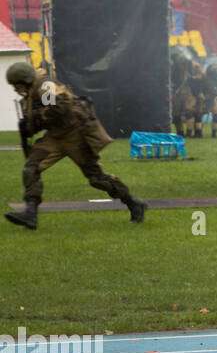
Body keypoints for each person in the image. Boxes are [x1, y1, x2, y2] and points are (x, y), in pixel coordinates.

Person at [4, 62, 146, 229]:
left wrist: (34, 118)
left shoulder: (46, 86)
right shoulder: (30, 93)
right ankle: (30, 214)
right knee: (31, 169)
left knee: (97, 179)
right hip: (54, 137)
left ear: (26, 80)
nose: (15, 89)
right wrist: (28, 125)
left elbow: (55, 109)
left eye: (17, 85)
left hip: (76, 135)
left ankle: (133, 203)